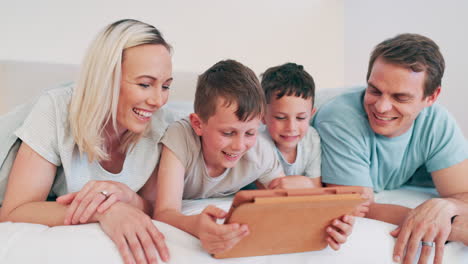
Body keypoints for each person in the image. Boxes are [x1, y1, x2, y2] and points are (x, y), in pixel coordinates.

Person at [0, 19, 180, 264]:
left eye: (166, 86)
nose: (158, 100)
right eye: (145, 84)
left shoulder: (162, 126)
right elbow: (14, 210)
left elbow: (154, 206)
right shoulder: (55, 109)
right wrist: (104, 209)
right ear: (106, 79)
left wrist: (127, 197)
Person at [153, 59, 355, 255]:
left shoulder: (260, 151)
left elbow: (286, 202)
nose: (240, 146)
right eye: (228, 133)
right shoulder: (180, 137)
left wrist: (328, 224)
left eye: (250, 133)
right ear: (198, 124)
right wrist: (195, 225)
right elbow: (164, 212)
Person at [313, 33, 468, 264]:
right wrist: (447, 226)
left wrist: (444, 207)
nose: (382, 107)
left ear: (431, 97)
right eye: (374, 90)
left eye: (400, 97)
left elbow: (463, 195)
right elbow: (356, 208)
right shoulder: (338, 118)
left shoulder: (437, 122)